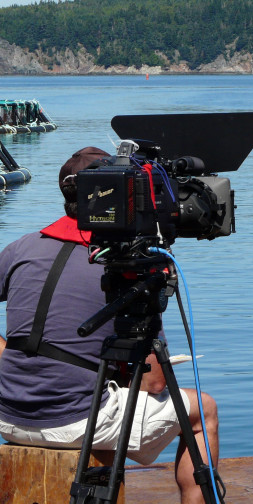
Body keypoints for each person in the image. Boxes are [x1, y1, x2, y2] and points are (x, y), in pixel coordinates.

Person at [0, 147, 220, 504]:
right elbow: (153, 380)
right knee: (203, 409)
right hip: (72, 422)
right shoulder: (125, 264)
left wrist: (9, 354)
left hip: (7, 412)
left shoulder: (21, 247)